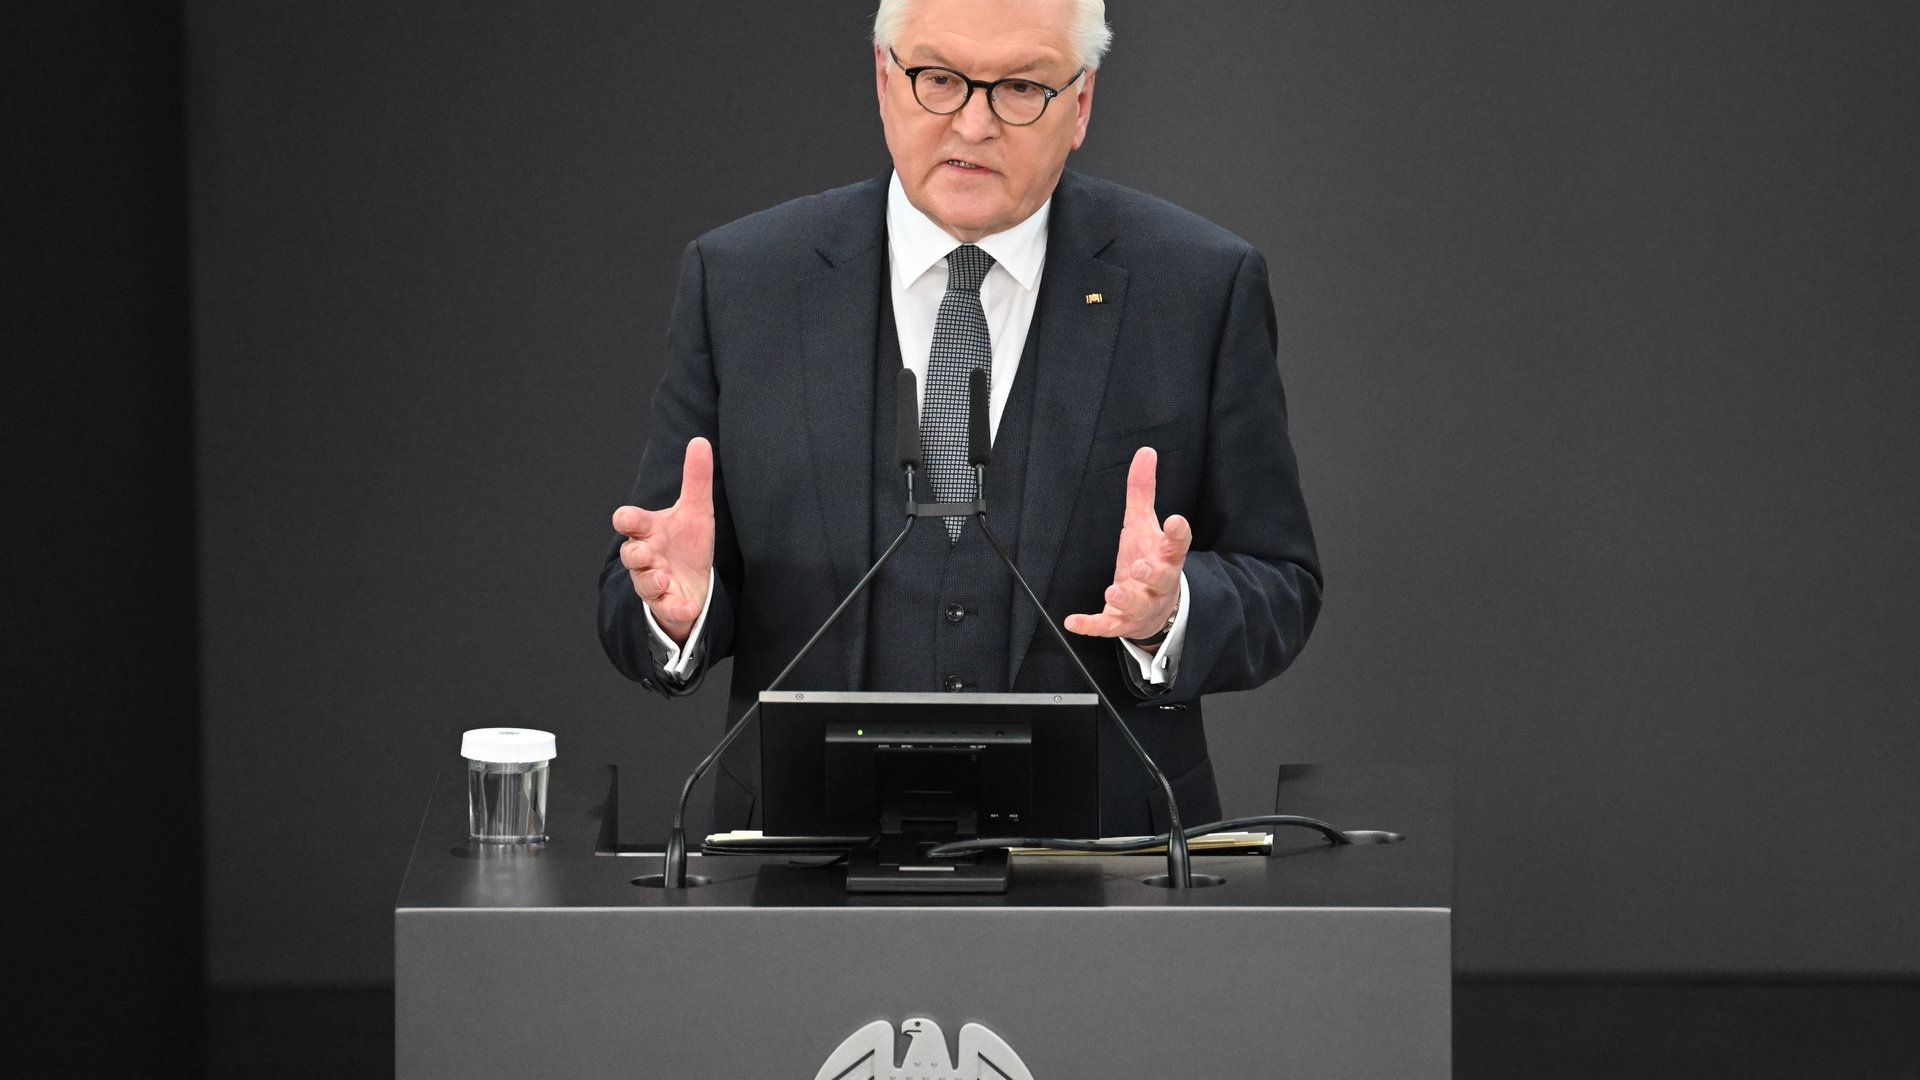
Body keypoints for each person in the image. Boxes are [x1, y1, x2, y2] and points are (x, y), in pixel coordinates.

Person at [598, 0, 1320, 835]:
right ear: (883, 80)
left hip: (1111, 865)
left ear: (1080, 104)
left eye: (1019, 87)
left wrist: (1173, 611)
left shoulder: (1197, 286)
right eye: (939, 80)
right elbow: (647, 575)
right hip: (797, 864)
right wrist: (676, 610)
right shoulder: (744, 282)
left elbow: (1283, 581)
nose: (973, 124)